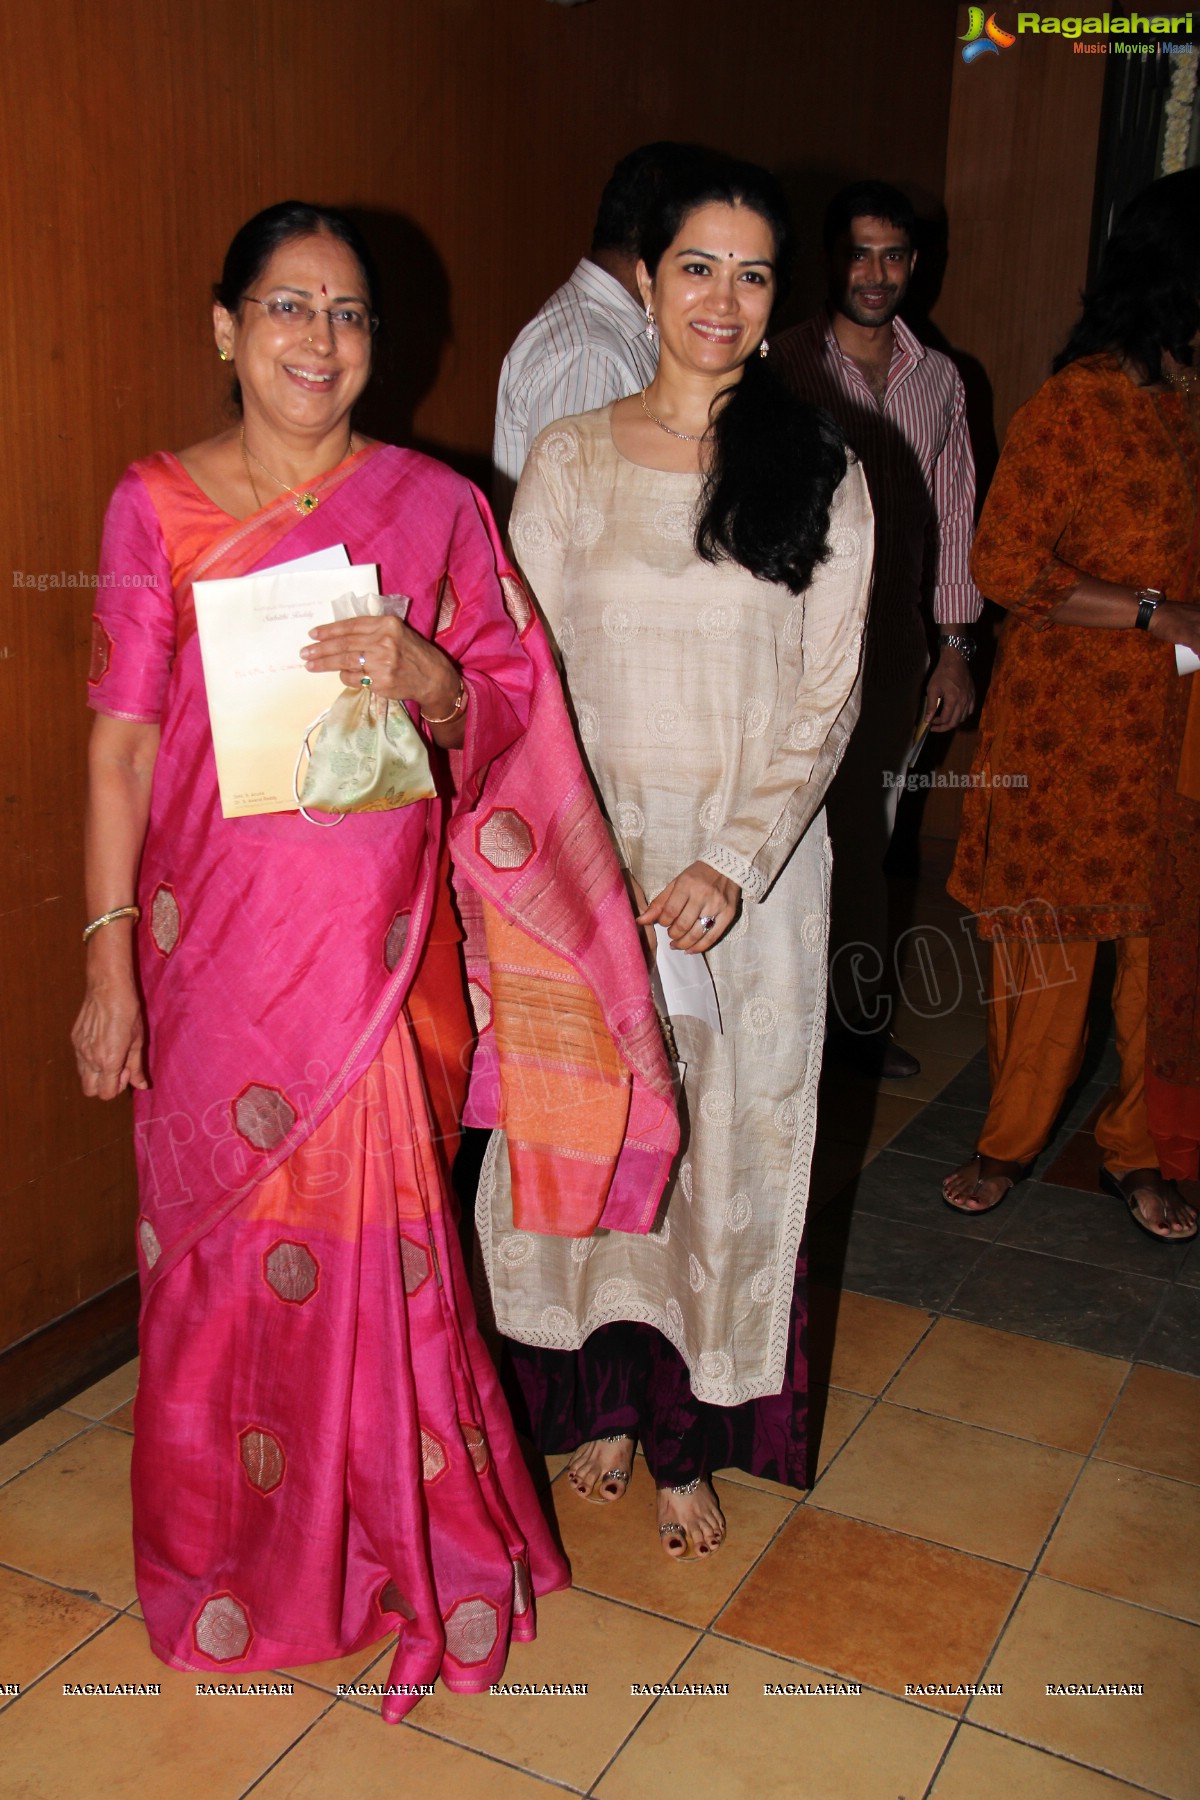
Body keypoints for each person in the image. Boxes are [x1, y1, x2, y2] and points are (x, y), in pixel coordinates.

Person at [71, 202, 677, 1718]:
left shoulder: (433, 506)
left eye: (347, 316)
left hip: (375, 962)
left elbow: (512, 716)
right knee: (212, 1263)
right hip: (206, 957)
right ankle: (234, 1571)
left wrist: (435, 682)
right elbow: (122, 750)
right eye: (288, 307)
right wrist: (104, 967)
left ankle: (383, 1547)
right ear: (225, 328)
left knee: (370, 1263)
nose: (319, 341)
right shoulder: (155, 505)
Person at [478, 153, 873, 1557]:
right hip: (590, 878)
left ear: (779, 303)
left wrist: (732, 859)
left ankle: (686, 1443)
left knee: (716, 1159)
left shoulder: (819, 470)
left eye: (753, 274)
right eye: (697, 266)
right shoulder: (576, 458)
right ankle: (594, 1401)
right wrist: (555, 867)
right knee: (591, 1150)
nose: (722, 297)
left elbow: (828, 701)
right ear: (644, 280)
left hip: (740, 894)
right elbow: (524, 674)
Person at [942, 168, 1200, 1239]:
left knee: (1161, 950)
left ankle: (1137, 1151)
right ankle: (1006, 1142)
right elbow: (1001, 563)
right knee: (1050, 952)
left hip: (1177, 736)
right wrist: (1155, 612)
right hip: (1070, 726)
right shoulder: (1082, 401)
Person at [774, 181, 984, 1080]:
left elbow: (956, 516)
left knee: (868, 840)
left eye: (894, 255)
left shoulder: (940, 381)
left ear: (915, 265)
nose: (877, 273)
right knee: (784, 835)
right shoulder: (778, 364)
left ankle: (855, 1027)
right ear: (832, 259)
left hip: (895, 649)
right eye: (860, 253)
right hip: (786, 652)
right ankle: (779, 1029)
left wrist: (957, 646)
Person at [492, 142, 693, 524]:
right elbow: (574, 541)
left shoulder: (614, 333)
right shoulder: (589, 354)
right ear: (660, 241)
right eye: (700, 255)